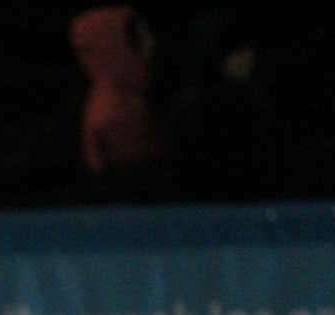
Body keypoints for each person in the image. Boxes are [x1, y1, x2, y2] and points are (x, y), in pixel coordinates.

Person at [163, 10, 280, 202]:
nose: (249, 57)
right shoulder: (193, 109)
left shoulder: (254, 101)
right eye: (237, 51)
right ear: (216, 54)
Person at [69, 5, 162, 201]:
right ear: (120, 46)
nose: (151, 44)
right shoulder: (116, 109)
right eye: (142, 37)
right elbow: (138, 181)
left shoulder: (127, 96)